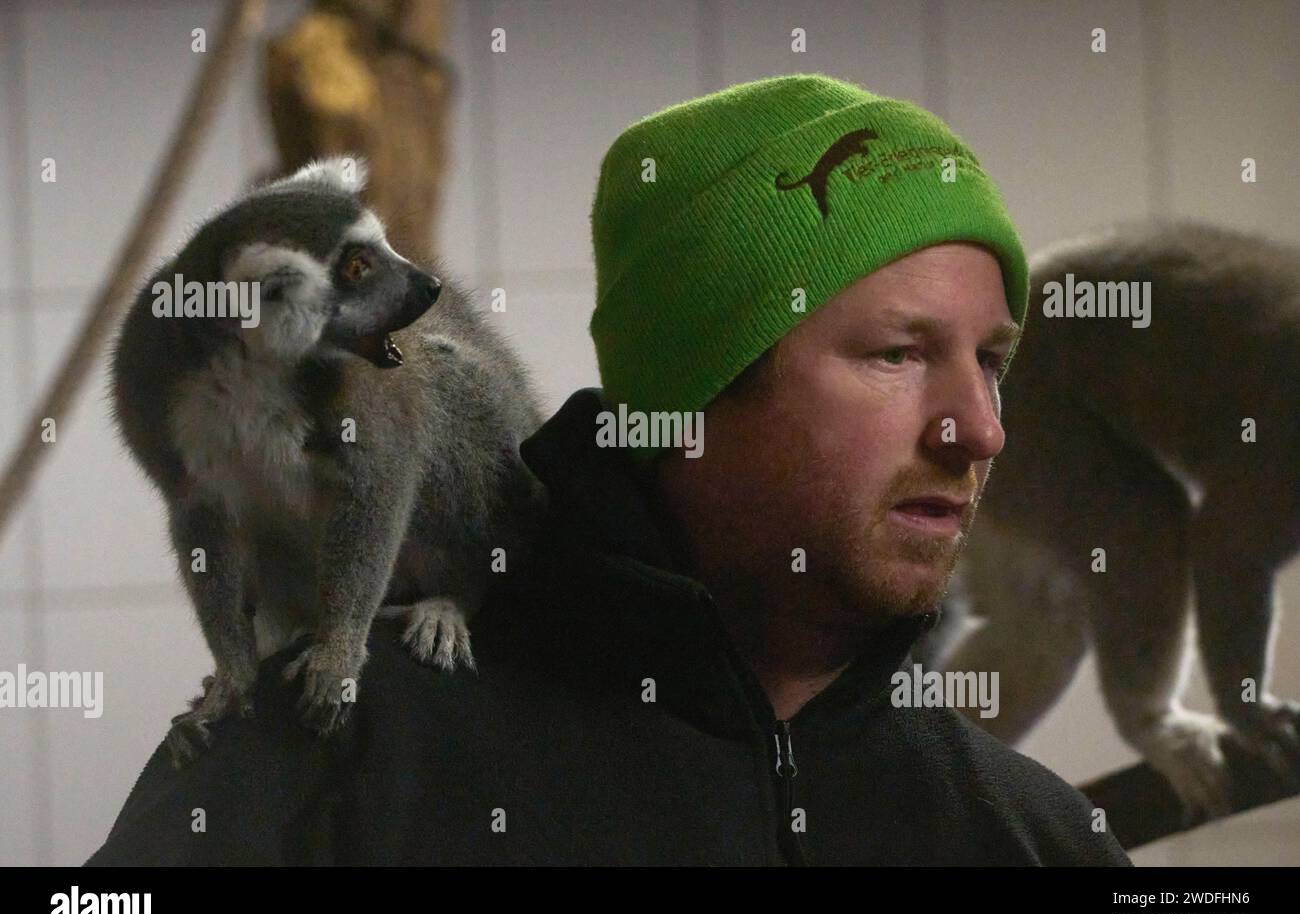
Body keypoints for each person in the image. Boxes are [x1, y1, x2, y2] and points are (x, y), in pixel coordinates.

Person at [88, 73, 1131, 866]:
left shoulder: (1029, 832)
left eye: (990, 359)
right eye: (896, 355)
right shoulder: (335, 768)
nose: (978, 429)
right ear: (693, 393)